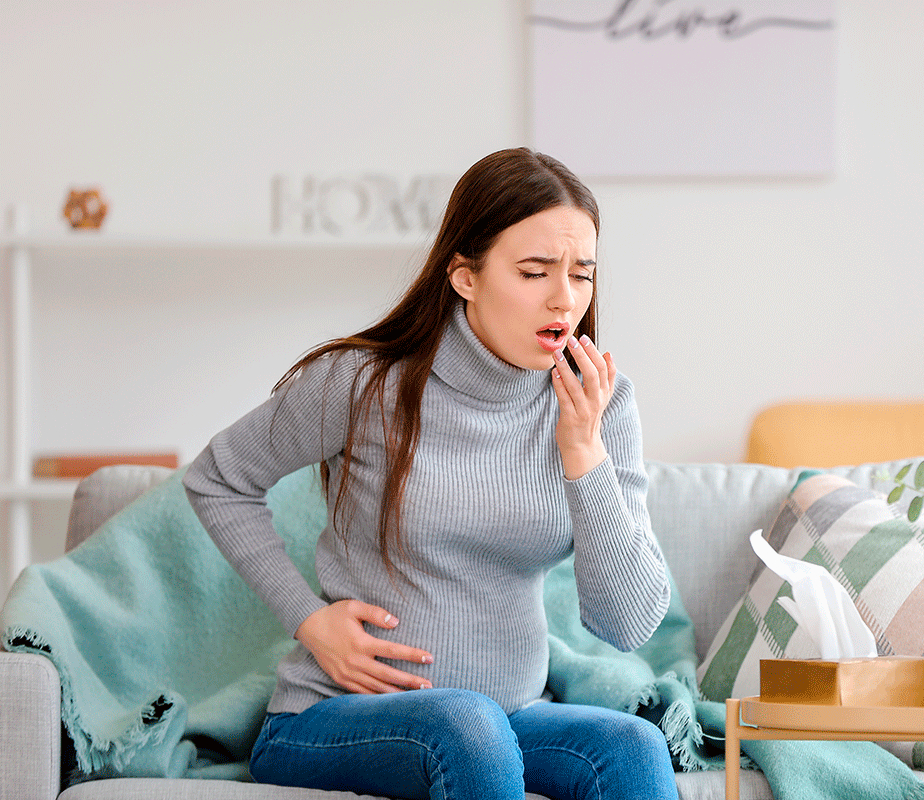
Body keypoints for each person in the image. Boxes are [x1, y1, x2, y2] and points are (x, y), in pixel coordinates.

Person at [183, 147, 676, 800]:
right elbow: (217, 480)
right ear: (465, 276)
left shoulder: (599, 404)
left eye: (581, 274)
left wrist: (583, 452)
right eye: (534, 272)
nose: (565, 298)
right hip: (332, 718)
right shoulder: (363, 384)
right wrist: (309, 620)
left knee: (632, 747)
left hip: (507, 717)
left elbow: (628, 623)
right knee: (467, 725)